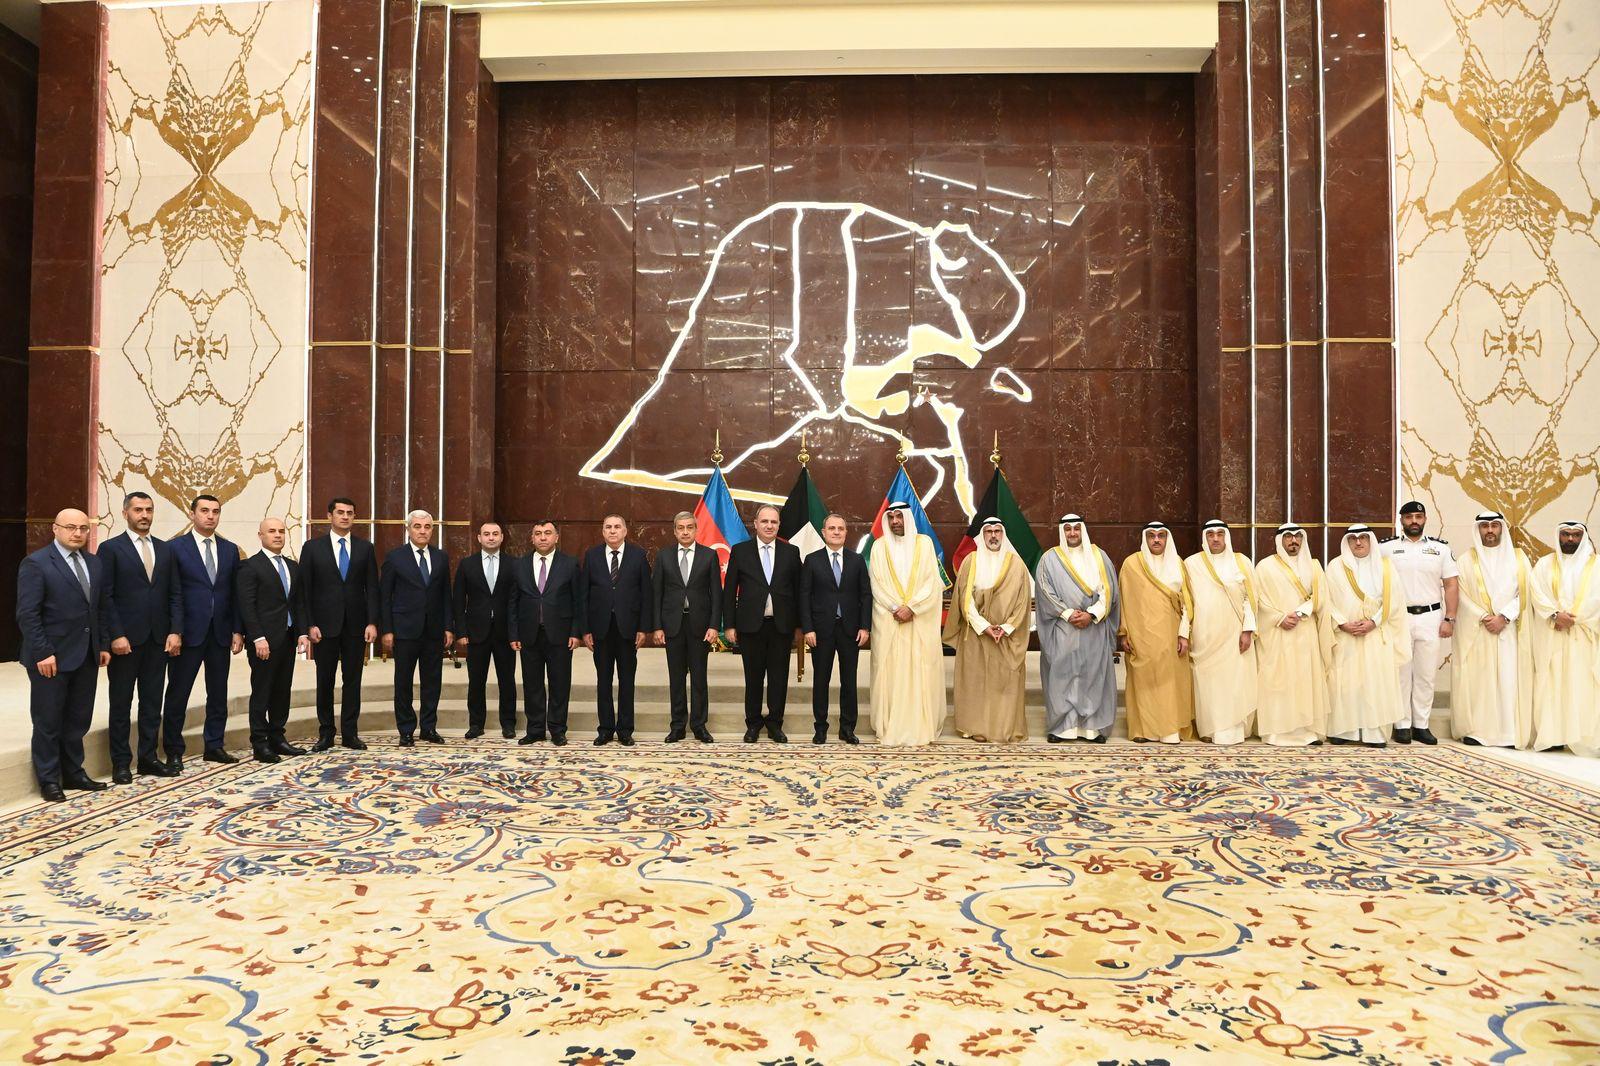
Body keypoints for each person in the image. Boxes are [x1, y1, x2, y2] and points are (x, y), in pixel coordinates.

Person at [16, 509, 115, 802]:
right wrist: (43, 652)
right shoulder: (36, 563)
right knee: (48, 721)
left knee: (78, 718)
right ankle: (49, 780)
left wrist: (103, 644)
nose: (77, 533)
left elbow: (99, 609)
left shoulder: (94, 562)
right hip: (50, 657)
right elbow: (28, 614)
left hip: (86, 654)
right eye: (71, 527)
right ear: (55, 529)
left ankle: (74, 772)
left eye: (83, 528)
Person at [99, 491, 183, 781]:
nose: (144, 515)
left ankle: (148, 758)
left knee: (151, 703)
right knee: (121, 703)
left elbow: (175, 593)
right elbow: (105, 597)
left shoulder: (165, 549)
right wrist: (116, 635)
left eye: (148, 509)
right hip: (125, 641)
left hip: (158, 639)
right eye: (138, 510)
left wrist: (175, 630)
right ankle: (121, 763)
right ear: (125, 513)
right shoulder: (110, 549)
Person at [164, 494, 245, 765]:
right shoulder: (174, 548)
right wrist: (174, 630)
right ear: (192, 514)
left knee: (218, 693)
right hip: (187, 633)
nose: (210, 516)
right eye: (205, 511)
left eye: (215, 511)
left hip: (220, 632)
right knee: (178, 693)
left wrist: (237, 630)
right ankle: (174, 750)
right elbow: (172, 593)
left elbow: (234, 594)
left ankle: (214, 745)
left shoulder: (230, 549)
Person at [299, 497, 380, 751]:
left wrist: (372, 622)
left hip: (356, 626)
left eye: (350, 513)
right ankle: (326, 733)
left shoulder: (365, 548)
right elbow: (304, 590)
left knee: (352, 681)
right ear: (329, 516)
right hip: (323, 628)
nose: (345, 517)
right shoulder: (312, 548)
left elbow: (372, 588)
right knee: (325, 680)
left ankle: (350, 733)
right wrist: (309, 624)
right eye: (340, 512)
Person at [1035, 514, 1120, 743]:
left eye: (1076, 528)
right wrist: (1068, 614)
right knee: (1063, 675)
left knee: (1093, 674)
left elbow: (1109, 591)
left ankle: (1092, 728)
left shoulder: (1099, 556)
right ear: (1062, 531)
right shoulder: (1049, 559)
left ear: (1082, 530)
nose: (1072, 533)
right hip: (1064, 627)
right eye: (1068, 529)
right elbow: (1044, 590)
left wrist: (1091, 614)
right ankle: (1063, 727)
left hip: (1093, 626)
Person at [1451, 511, 1532, 748]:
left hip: (1509, 629)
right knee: (1478, 680)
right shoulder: (1466, 560)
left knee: (1508, 679)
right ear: (1478, 529)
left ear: (1501, 528)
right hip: (1478, 629)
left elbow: (1527, 592)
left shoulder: (1519, 559)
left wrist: (1504, 617)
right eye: (1485, 526)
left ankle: (1509, 733)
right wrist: (1484, 617)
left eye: (1494, 525)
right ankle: (1477, 731)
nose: (1489, 530)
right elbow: (1461, 594)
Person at [945, 517, 1029, 743]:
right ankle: (976, 727)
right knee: (976, 683)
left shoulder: (1017, 564)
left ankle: (1003, 728)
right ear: (982, 535)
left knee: (1004, 684)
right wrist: (984, 627)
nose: (993, 536)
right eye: (989, 532)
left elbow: (1023, 602)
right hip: (976, 632)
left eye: (997, 531)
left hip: (1006, 635)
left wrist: (1005, 627)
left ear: (1003, 535)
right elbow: (964, 599)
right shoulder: (970, 561)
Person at [1380, 500, 1458, 744]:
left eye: (1418, 517)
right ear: (1401, 520)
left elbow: (1451, 584)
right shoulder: (1386, 548)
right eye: (1409, 517)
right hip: (1398, 617)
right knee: (1401, 673)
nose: (1414, 521)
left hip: (1430, 617)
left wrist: (1450, 618)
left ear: (1425, 519)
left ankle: (1421, 725)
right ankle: (1402, 725)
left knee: (1425, 673)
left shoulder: (1440, 549)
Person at [1324, 525, 1410, 747]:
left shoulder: (1386, 567)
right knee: (1346, 683)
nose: (1358, 542)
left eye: (1363, 537)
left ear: (1371, 540)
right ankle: (1344, 731)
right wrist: (1342, 623)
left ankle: (1375, 734)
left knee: (1375, 682)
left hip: (1376, 633)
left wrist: (1374, 622)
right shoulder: (1335, 567)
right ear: (1347, 542)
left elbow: (1395, 600)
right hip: (1345, 634)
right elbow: (1327, 601)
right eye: (1353, 538)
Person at [867, 503, 944, 745]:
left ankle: (920, 724)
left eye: (899, 516)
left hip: (918, 621)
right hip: (890, 621)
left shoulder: (925, 544)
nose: (895, 522)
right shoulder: (879, 546)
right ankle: (889, 723)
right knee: (890, 672)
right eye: (891, 517)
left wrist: (912, 607)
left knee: (919, 671)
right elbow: (876, 583)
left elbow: (932, 582)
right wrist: (895, 608)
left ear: (908, 518)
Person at [723, 504, 801, 744]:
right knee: (753, 678)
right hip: (750, 626)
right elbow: (729, 591)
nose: (769, 526)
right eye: (765, 521)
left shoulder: (791, 552)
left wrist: (800, 626)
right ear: (755, 524)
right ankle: (753, 724)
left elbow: (799, 592)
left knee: (778, 678)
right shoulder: (740, 551)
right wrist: (729, 625)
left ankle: (775, 724)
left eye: (773, 522)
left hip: (781, 626)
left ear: (779, 525)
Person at [236, 517, 309, 763]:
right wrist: (257, 637)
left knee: (282, 690)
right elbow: (247, 606)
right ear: (260, 535)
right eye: (271, 531)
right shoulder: (250, 566)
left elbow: (298, 603)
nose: (277, 535)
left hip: (287, 638)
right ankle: (260, 743)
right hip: (263, 641)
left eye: (281, 531)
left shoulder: (292, 566)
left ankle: (278, 737)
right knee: (262, 691)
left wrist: (302, 632)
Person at [380, 510, 454, 746]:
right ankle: (406, 729)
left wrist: (448, 626)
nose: (423, 531)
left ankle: (429, 728)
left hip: (434, 630)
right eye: (417, 526)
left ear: (432, 529)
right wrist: (387, 629)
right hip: (404, 630)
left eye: (427, 527)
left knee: (432, 681)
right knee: (403, 682)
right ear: (408, 529)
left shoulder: (441, 557)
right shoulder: (395, 557)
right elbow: (385, 596)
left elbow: (446, 594)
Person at [508, 519, 583, 746]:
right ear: (532, 538)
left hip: (561, 634)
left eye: (548, 533)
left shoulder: (570, 564)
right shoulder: (519, 565)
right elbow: (513, 602)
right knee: (532, 684)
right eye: (538, 533)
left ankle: (558, 729)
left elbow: (578, 601)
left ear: (556, 537)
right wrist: (514, 634)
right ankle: (535, 729)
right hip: (528, 634)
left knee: (560, 683)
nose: (543, 537)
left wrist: (576, 632)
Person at [1117, 521, 1194, 743]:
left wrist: (1184, 634)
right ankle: (1143, 730)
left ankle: (1170, 730)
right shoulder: (1132, 564)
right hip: (1140, 634)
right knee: (1143, 681)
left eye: (1161, 535)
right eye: (1152, 535)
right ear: (1145, 539)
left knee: (1169, 683)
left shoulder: (1177, 563)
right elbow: (1123, 600)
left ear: (1167, 538)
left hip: (1171, 635)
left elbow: (1187, 603)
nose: (1157, 540)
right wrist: (1124, 633)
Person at [1527, 521, 1599, 756]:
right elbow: (1536, 593)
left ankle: (1583, 738)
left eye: (1575, 535)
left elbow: (1596, 600)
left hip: (1583, 637)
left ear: (1583, 537)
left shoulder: (1596, 566)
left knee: (1581, 684)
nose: (1570, 539)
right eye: (1566, 534)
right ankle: (1552, 736)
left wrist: (1573, 619)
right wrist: (1555, 615)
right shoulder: (1545, 564)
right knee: (1551, 683)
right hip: (1552, 635)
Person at [799, 513, 871, 745]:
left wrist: (865, 627)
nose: (836, 532)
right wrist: (808, 628)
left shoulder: (857, 560)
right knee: (821, 680)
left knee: (849, 681)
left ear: (846, 532)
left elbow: (865, 595)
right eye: (832, 528)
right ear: (824, 532)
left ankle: (847, 728)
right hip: (820, 631)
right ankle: (820, 728)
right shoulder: (812, 560)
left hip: (851, 630)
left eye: (841, 528)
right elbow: (804, 596)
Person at [1184, 520, 1258, 745]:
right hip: (1204, 635)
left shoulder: (1241, 562)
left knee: (1234, 682)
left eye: (1219, 534)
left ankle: (1233, 730)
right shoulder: (1191, 563)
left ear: (1226, 536)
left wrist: (1247, 630)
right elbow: (1186, 602)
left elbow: (1250, 599)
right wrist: (1184, 632)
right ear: (1204, 538)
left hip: (1234, 635)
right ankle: (1209, 728)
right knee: (1208, 685)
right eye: (1210, 534)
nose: (1215, 538)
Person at [582, 513, 652, 746]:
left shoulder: (638, 555)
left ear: (625, 531)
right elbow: (583, 595)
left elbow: (646, 594)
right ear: (603, 531)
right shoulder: (592, 555)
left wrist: (643, 628)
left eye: (617, 527)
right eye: (608, 527)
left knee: (626, 680)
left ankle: (625, 730)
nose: (612, 531)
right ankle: (605, 729)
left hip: (628, 629)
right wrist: (585, 629)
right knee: (603, 681)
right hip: (600, 629)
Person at [1253, 523, 1326, 746]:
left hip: (1305, 631)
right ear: (1279, 540)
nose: (1293, 541)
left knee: (1304, 680)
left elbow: (1321, 596)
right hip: (1276, 633)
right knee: (1277, 681)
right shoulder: (1265, 567)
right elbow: (1258, 600)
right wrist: (1279, 618)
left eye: (1297, 536)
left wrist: (1302, 611)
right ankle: (1276, 732)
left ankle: (1306, 732)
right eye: (1288, 537)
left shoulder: (1314, 566)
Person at [652, 511, 722, 743]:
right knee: (677, 678)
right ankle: (678, 726)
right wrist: (657, 626)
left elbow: (717, 594)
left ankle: (699, 725)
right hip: (672, 625)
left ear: (696, 529)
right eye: (680, 528)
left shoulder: (709, 555)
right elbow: (656, 593)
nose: (685, 532)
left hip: (699, 626)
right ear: (674, 531)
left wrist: (714, 625)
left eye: (689, 527)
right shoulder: (663, 556)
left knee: (699, 678)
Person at [454, 520, 517, 739]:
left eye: (495, 534)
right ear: (479, 538)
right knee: (476, 681)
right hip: (475, 633)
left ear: (502, 537)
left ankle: (508, 724)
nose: (491, 537)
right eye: (487, 534)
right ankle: (476, 724)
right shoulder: (467, 564)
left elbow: (516, 600)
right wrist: (461, 632)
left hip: (505, 632)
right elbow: (458, 600)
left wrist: (515, 632)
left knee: (507, 680)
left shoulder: (513, 564)